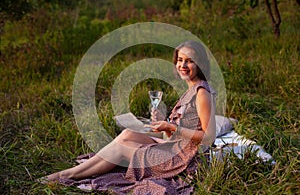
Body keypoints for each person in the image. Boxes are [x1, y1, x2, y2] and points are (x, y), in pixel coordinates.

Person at [42, 41, 216, 194]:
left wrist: (171, 127)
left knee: (120, 149)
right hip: (177, 148)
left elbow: (208, 137)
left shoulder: (201, 93)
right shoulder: (191, 89)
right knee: (127, 134)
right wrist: (165, 125)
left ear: (199, 64)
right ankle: (81, 169)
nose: (183, 65)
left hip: (186, 160)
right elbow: (177, 134)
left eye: (189, 61)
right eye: (180, 60)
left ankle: (65, 175)